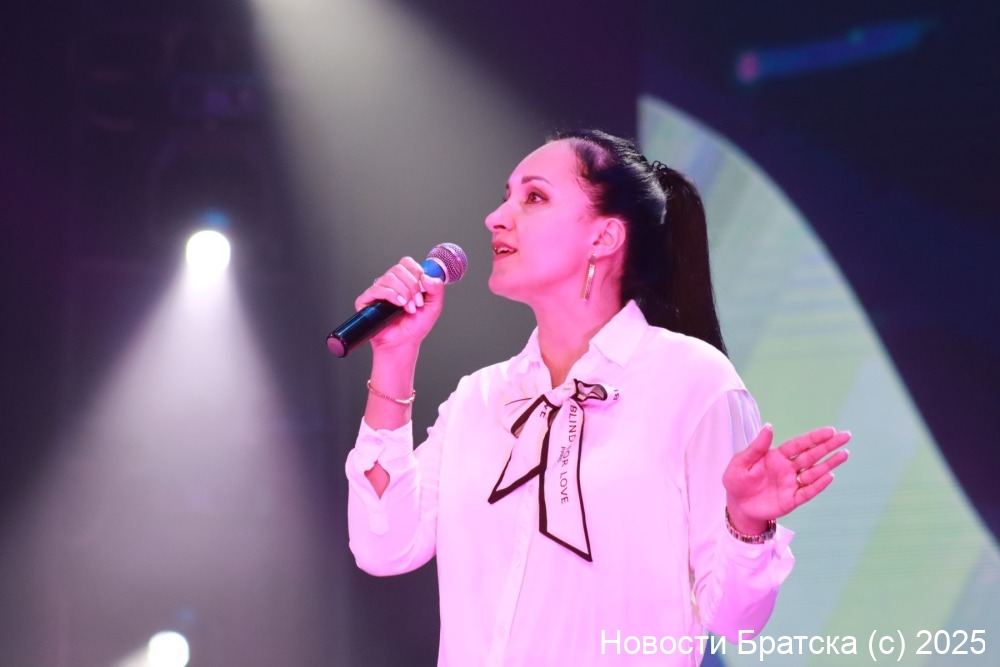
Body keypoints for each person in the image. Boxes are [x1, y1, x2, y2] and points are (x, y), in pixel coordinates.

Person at [344, 129, 850, 666]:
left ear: (605, 237)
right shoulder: (481, 397)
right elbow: (383, 547)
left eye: (533, 197)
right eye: (506, 196)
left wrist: (745, 524)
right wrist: (395, 355)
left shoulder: (693, 381)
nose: (496, 218)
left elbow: (735, 622)